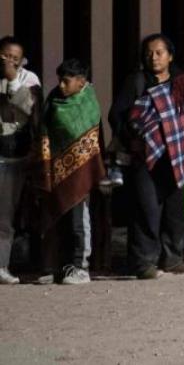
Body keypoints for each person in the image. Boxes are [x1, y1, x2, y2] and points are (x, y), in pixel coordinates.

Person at [116, 34, 184, 279]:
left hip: (182, 156)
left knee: (179, 211)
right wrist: (135, 138)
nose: (154, 57)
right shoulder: (136, 82)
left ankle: (172, 259)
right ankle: (144, 263)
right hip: (147, 158)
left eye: (159, 52)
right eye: (149, 53)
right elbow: (117, 116)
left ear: (170, 56)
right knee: (146, 210)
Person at [36, 59, 105, 285]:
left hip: (81, 171)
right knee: (57, 218)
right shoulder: (53, 99)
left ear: (81, 81)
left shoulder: (89, 102)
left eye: (66, 81)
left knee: (78, 221)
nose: (61, 85)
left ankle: (80, 267)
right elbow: (44, 129)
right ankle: (59, 266)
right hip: (56, 168)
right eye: (60, 80)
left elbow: (93, 138)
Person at [0, 36, 41, 285]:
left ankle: (2, 265)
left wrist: (12, 79)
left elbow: (30, 108)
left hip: (13, 155)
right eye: (6, 56)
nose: (10, 61)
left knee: (5, 215)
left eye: (15, 58)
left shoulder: (29, 79)